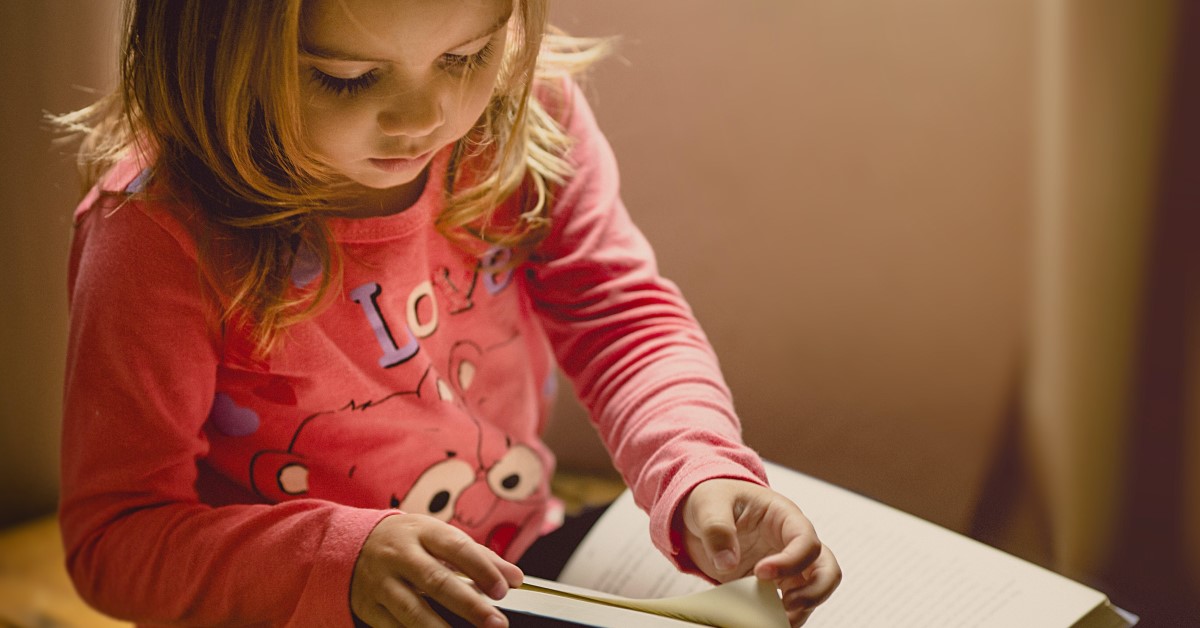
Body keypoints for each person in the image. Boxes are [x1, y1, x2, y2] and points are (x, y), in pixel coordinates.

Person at [55, 1, 842, 626]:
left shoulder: (522, 121)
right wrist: (340, 559)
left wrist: (698, 467)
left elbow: (620, 318)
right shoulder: (155, 236)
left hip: (517, 567)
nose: (423, 118)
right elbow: (115, 541)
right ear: (208, 46)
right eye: (347, 76)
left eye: (465, 57)